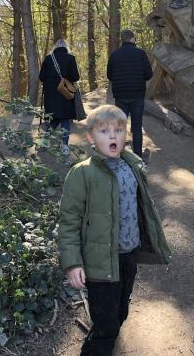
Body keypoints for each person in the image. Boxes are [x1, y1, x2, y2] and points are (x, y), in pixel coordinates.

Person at [58, 104, 172, 356]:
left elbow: (143, 209)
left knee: (120, 313)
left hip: (128, 256)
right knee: (106, 324)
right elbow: (69, 222)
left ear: (125, 135)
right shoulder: (82, 174)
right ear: (91, 138)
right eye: (104, 131)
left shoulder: (133, 167)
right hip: (98, 262)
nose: (112, 136)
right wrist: (72, 263)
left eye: (118, 130)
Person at [107, 30, 153, 159]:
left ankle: (119, 155)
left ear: (122, 40)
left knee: (120, 127)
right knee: (137, 126)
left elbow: (109, 75)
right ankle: (137, 157)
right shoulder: (141, 54)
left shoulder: (115, 55)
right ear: (133, 39)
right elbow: (149, 74)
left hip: (120, 95)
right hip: (137, 94)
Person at [39, 38, 80, 156]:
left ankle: (44, 142)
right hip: (65, 94)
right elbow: (75, 77)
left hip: (51, 96)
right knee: (65, 119)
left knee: (54, 119)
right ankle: (65, 147)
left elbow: (41, 77)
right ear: (66, 47)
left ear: (55, 47)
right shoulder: (71, 58)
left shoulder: (48, 59)